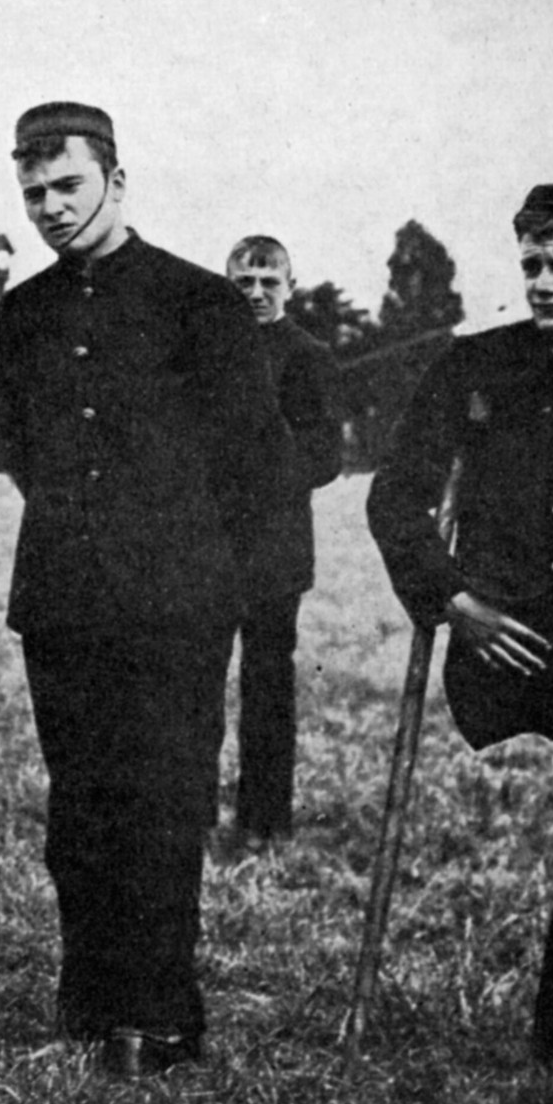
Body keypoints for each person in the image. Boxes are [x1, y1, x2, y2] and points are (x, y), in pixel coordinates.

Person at [0, 102, 287, 1076]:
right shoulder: (21, 313)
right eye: (32, 191)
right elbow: (28, 451)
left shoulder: (202, 304)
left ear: (116, 180)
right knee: (79, 811)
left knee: (162, 808)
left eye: (67, 185)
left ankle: (159, 1016)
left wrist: (201, 586)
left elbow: (254, 466)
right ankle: (89, 999)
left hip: (175, 610)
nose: (48, 207)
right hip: (62, 603)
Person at [368, 183, 553, 1104]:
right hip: (504, 641)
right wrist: (454, 603)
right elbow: (397, 498)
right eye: (531, 266)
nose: (541, 285)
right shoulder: (478, 365)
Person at [222, 236, 343, 847]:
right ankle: (188, 817)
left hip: (275, 549)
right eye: (244, 281)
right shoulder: (206, 354)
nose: (256, 292)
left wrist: (268, 464)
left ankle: (264, 822)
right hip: (207, 546)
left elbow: (326, 456)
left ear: (290, 287)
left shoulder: (310, 355)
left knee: (267, 685)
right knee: (193, 686)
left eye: (269, 281)